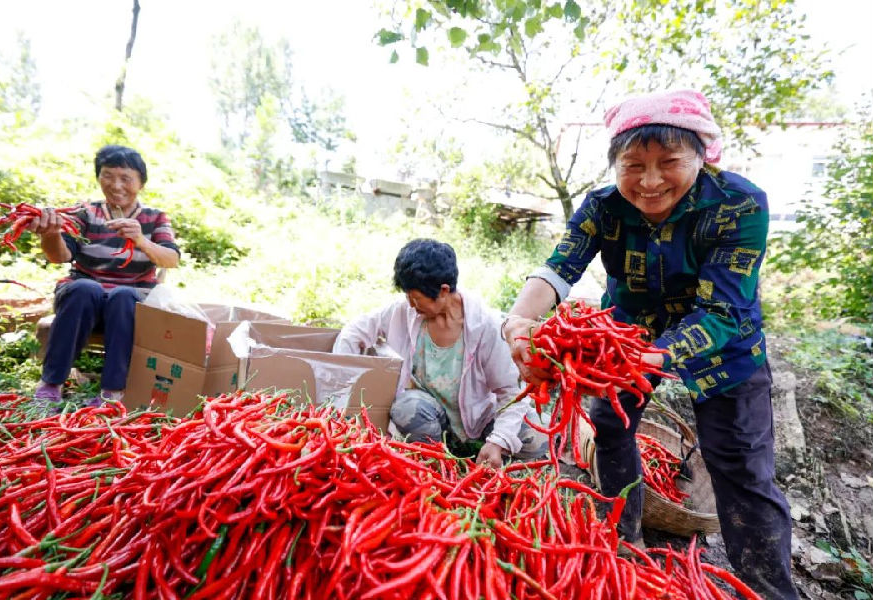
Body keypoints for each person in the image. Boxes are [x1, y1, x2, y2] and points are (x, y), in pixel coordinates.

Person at [501, 90, 798, 599]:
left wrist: (643, 357)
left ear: (701, 157)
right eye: (634, 165)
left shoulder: (740, 204)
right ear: (616, 165)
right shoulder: (603, 208)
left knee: (741, 466)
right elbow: (560, 266)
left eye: (669, 162)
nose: (651, 181)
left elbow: (721, 311)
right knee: (611, 429)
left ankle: (770, 589)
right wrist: (521, 319)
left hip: (724, 345)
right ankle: (625, 541)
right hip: (628, 331)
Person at [333, 238, 548, 468]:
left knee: (538, 435)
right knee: (406, 407)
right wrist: (340, 393)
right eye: (408, 297)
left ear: (443, 290)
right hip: (430, 417)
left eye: (416, 298)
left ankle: (482, 450)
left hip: (479, 419)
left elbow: (511, 392)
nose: (411, 304)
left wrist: (498, 441)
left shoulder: (485, 325)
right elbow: (353, 332)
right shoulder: (403, 312)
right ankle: (437, 457)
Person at [31, 145, 180, 405]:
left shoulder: (154, 218)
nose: (116, 185)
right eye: (108, 176)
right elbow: (60, 256)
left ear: (141, 183)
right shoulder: (85, 213)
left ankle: (113, 391)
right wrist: (51, 235)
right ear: (99, 177)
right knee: (84, 288)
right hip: (81, 304)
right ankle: (50, 384)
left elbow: (171, 259)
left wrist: (141, 241)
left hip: (129, 307)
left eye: (126, 178)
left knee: (123, 295)